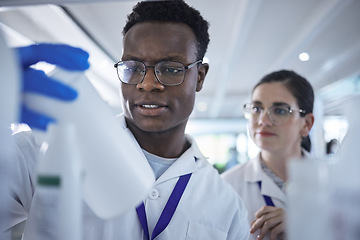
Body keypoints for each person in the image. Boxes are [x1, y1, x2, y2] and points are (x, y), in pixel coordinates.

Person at [4, 1, 249, 239]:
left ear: (200, 77)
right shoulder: (39, 150)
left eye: (171, 68)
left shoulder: (227, 206)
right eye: (133, 67)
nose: (148, 84)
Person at [222, 70, 315, 240]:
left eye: (279, 110)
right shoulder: (226, 187)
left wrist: (304, 228)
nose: (262, 120)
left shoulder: (337, 183)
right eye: (257, 108)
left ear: (306, 124)